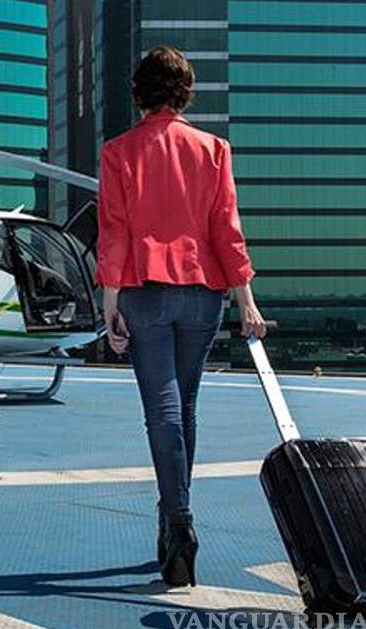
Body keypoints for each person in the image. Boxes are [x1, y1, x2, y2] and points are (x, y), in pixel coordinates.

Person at [96, 46, 268, 587]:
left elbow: (115, 229)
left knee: (162, 411)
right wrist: (246, 298)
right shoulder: (214, 149)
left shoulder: (118, 152)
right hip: (203, 293)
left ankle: (178, 521)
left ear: (138, 93)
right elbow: (227, 228)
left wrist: (110, 300)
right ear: (185, 92)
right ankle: (176, 517)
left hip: (144, 291)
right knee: (185, 408)